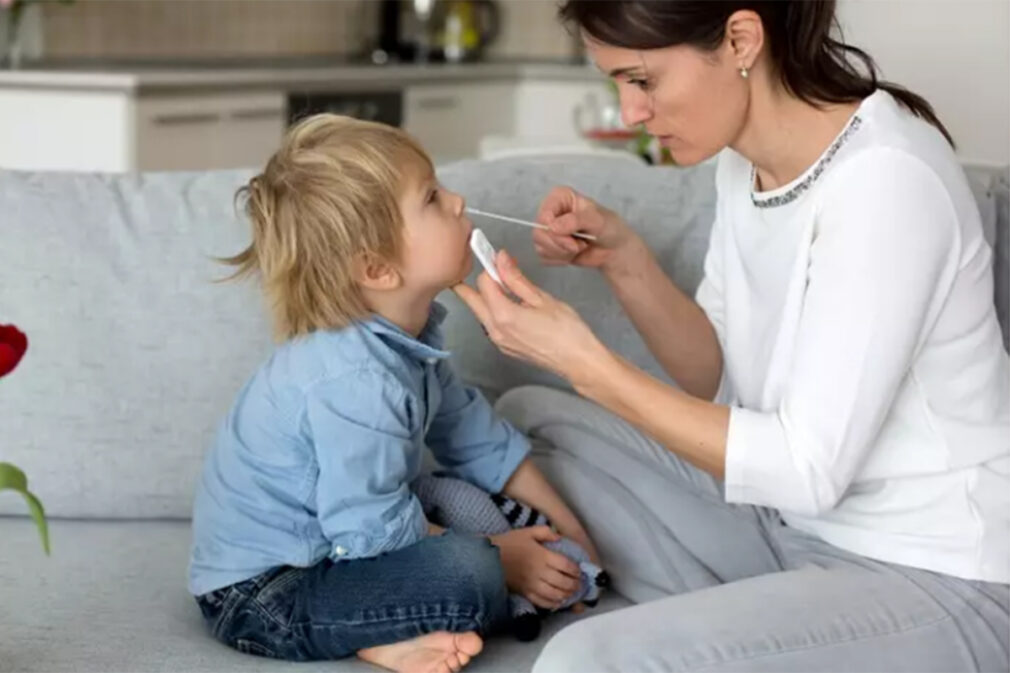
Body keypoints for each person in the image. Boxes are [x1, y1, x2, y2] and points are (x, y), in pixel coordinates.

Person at [453, 1, 1010, 671]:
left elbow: (807, 468)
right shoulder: (742, 167)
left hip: (935, 572)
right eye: (618, 85)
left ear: (741, 40)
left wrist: (585, 361)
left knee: (583, 661)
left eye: (643, 80)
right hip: (788, 529)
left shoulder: (886, 181)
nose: (630, 113)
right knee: (525, 419)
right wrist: (625, 259)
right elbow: (720, 380)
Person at [187, 114, 597, 673]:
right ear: (377, 268)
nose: (457, 202)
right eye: (431, 197)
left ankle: (388, 626)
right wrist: (507, 562)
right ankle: (369, 636)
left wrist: (574, 534)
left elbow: (477, 440)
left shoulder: (411, 339)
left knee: (451, 498)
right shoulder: (356, 379)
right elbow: (373, 528)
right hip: (264, 594)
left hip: (342, 549)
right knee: (470, 576)